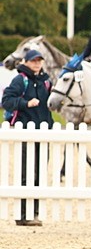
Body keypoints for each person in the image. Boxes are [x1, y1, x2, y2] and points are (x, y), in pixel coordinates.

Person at [2, 49, 53, 225]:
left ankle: (34, 212)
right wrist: (25, 104)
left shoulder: (46, 81)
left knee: (40, 175)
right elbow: (6, 101)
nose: (37, 64)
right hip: (25, 132)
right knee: (26, 174)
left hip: (43, 131)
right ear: (26, 62)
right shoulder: (20, 80)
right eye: (34, 61)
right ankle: (22, 214)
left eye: (39, 61)